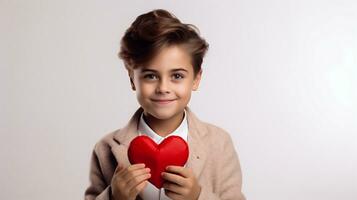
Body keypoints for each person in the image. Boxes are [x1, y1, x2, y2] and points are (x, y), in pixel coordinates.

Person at [84, 9, 246, 200]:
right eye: (150, 76)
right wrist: (113, 196)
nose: (163, 88)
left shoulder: (219, 143)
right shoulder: (105, 148)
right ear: (132, 79)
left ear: (196, 79)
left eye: (177, 76)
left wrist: (198, 197)